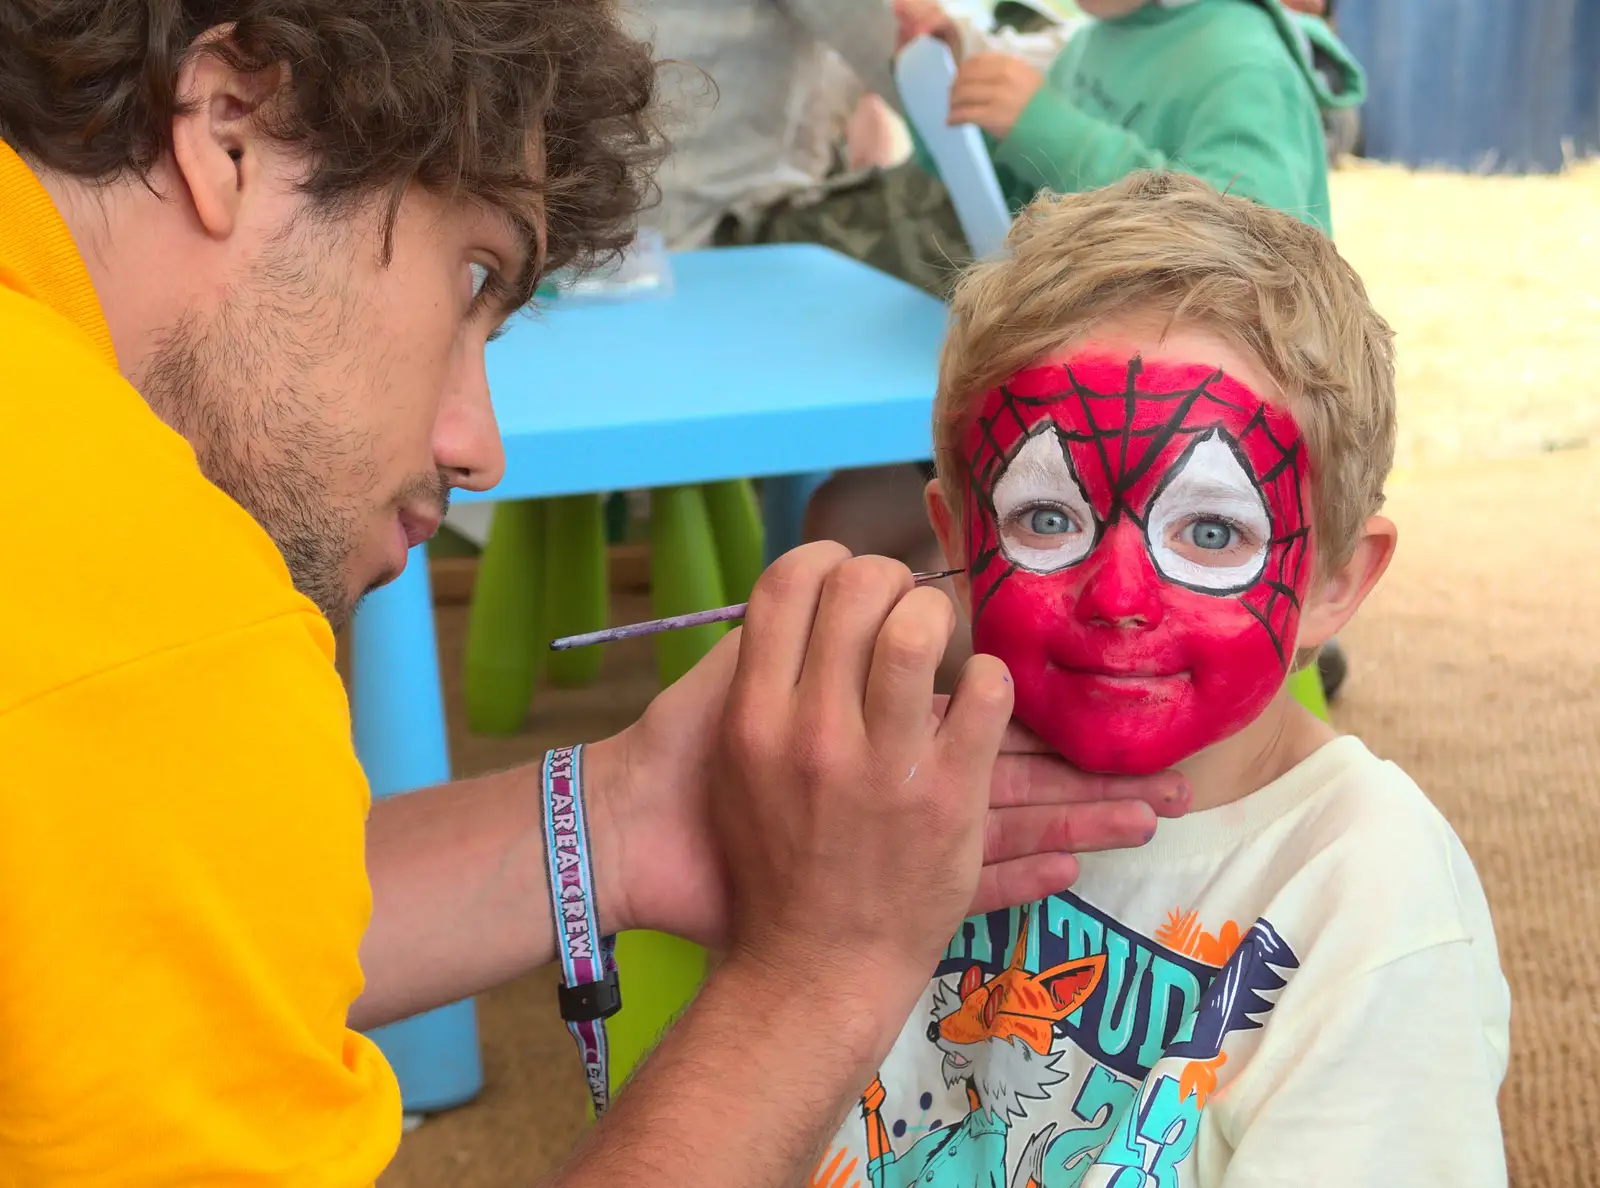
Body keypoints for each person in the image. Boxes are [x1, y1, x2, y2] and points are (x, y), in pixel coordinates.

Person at [0, 1, 1193, 1184]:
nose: (477, 448)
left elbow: (162, 925)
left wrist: (620, 814)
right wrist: (825, 969)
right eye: (473, 275)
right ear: (229, 129)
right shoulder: (132, 602)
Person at [805, 173, 1511, 1187]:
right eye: (1046, 518)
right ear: (959, 540)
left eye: (1212, 531)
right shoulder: (891, 793)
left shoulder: (1369, 900)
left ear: (1333, 582)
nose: (1119, 596)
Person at [803, 0, 1364, 693]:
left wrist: (1046, 126)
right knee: (840, 521)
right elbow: (1015, 222)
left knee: (932, 619)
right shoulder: (1093, 44)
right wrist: (949, 109)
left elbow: (1262, 249)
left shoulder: (1242, 60)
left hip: (1196, 454)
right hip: (1059, 425)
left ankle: (1029, 763)